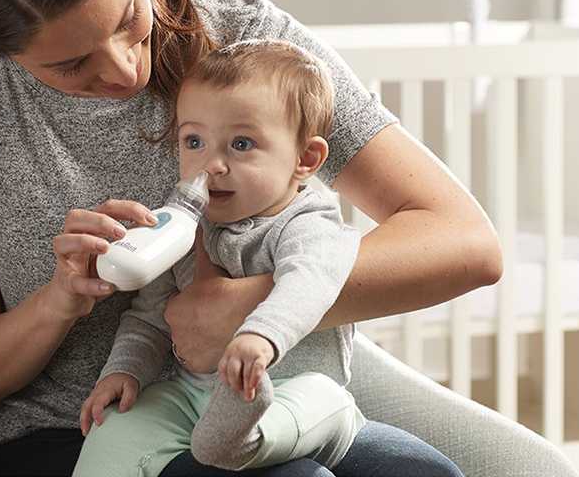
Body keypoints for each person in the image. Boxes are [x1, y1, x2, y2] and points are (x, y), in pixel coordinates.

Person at [0, 0, 502, 477]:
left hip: (266, 400)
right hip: (75, 431)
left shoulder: (247, 43)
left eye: (130, 21)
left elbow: (466, 243)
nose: (126, 70)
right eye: (71, 66)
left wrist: (253, 308)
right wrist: (60, 299)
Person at [73, 40, 373, 476]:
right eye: (194, 141)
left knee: (316, 402)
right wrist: (124, 372)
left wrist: (261, 337)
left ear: (305, 159)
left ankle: (242, 440)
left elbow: (311, 281)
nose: (211, 163)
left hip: (293, 391)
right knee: (115, 427)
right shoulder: (183, 228)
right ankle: (210, 434)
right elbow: (150, 316)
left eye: (242, 144)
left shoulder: (309, 224)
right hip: (195, 394)